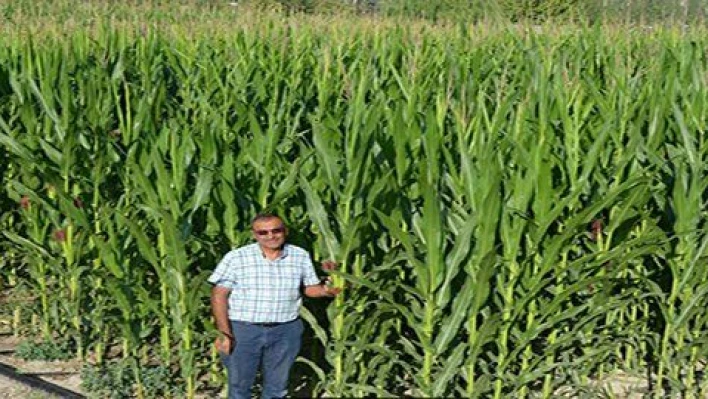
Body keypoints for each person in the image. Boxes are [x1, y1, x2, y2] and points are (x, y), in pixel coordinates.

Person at [209, 213, 341, 399]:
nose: (270, 236)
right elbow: (219, 294)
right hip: (243, 330)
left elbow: (310, 289)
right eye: (263, 232)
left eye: (276, 230)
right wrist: (224, 332)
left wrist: (328, 291)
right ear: (254, 234)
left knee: (278, 388)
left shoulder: (299, 255)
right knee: (239, 387)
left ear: (285, 231)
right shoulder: (237, 258)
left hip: (286, 330)